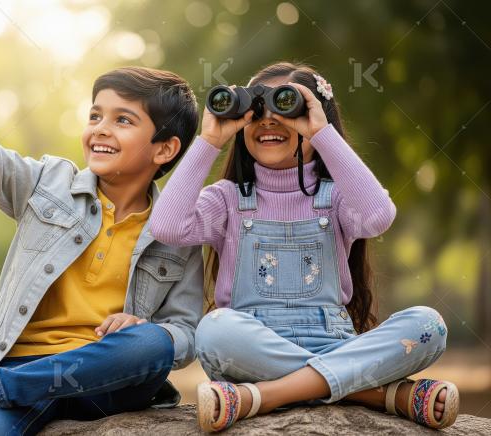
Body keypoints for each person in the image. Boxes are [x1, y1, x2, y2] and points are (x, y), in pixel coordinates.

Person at [0, 45, 203, 435]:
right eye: (95, 115)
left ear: (164, 148)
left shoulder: (178, 232)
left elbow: (185, 331)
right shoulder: (48, 183)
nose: (100, 128)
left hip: (107, 381)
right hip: (22, 366)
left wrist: (141, 324)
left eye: (123, 120)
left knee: (152, 342)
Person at [150, 62, 459, 432]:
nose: (269, 121)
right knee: (214, 329)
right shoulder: (227, 199)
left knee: (429, 324)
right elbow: (166, 226)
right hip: (253, 351)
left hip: (334, 343)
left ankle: (264, 396)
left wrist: (322, 134)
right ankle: (374, 394)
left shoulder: (338, 198)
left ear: (314, 117)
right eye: (256, 110)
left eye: (287, 108)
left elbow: (378, 217)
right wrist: (210, 141)